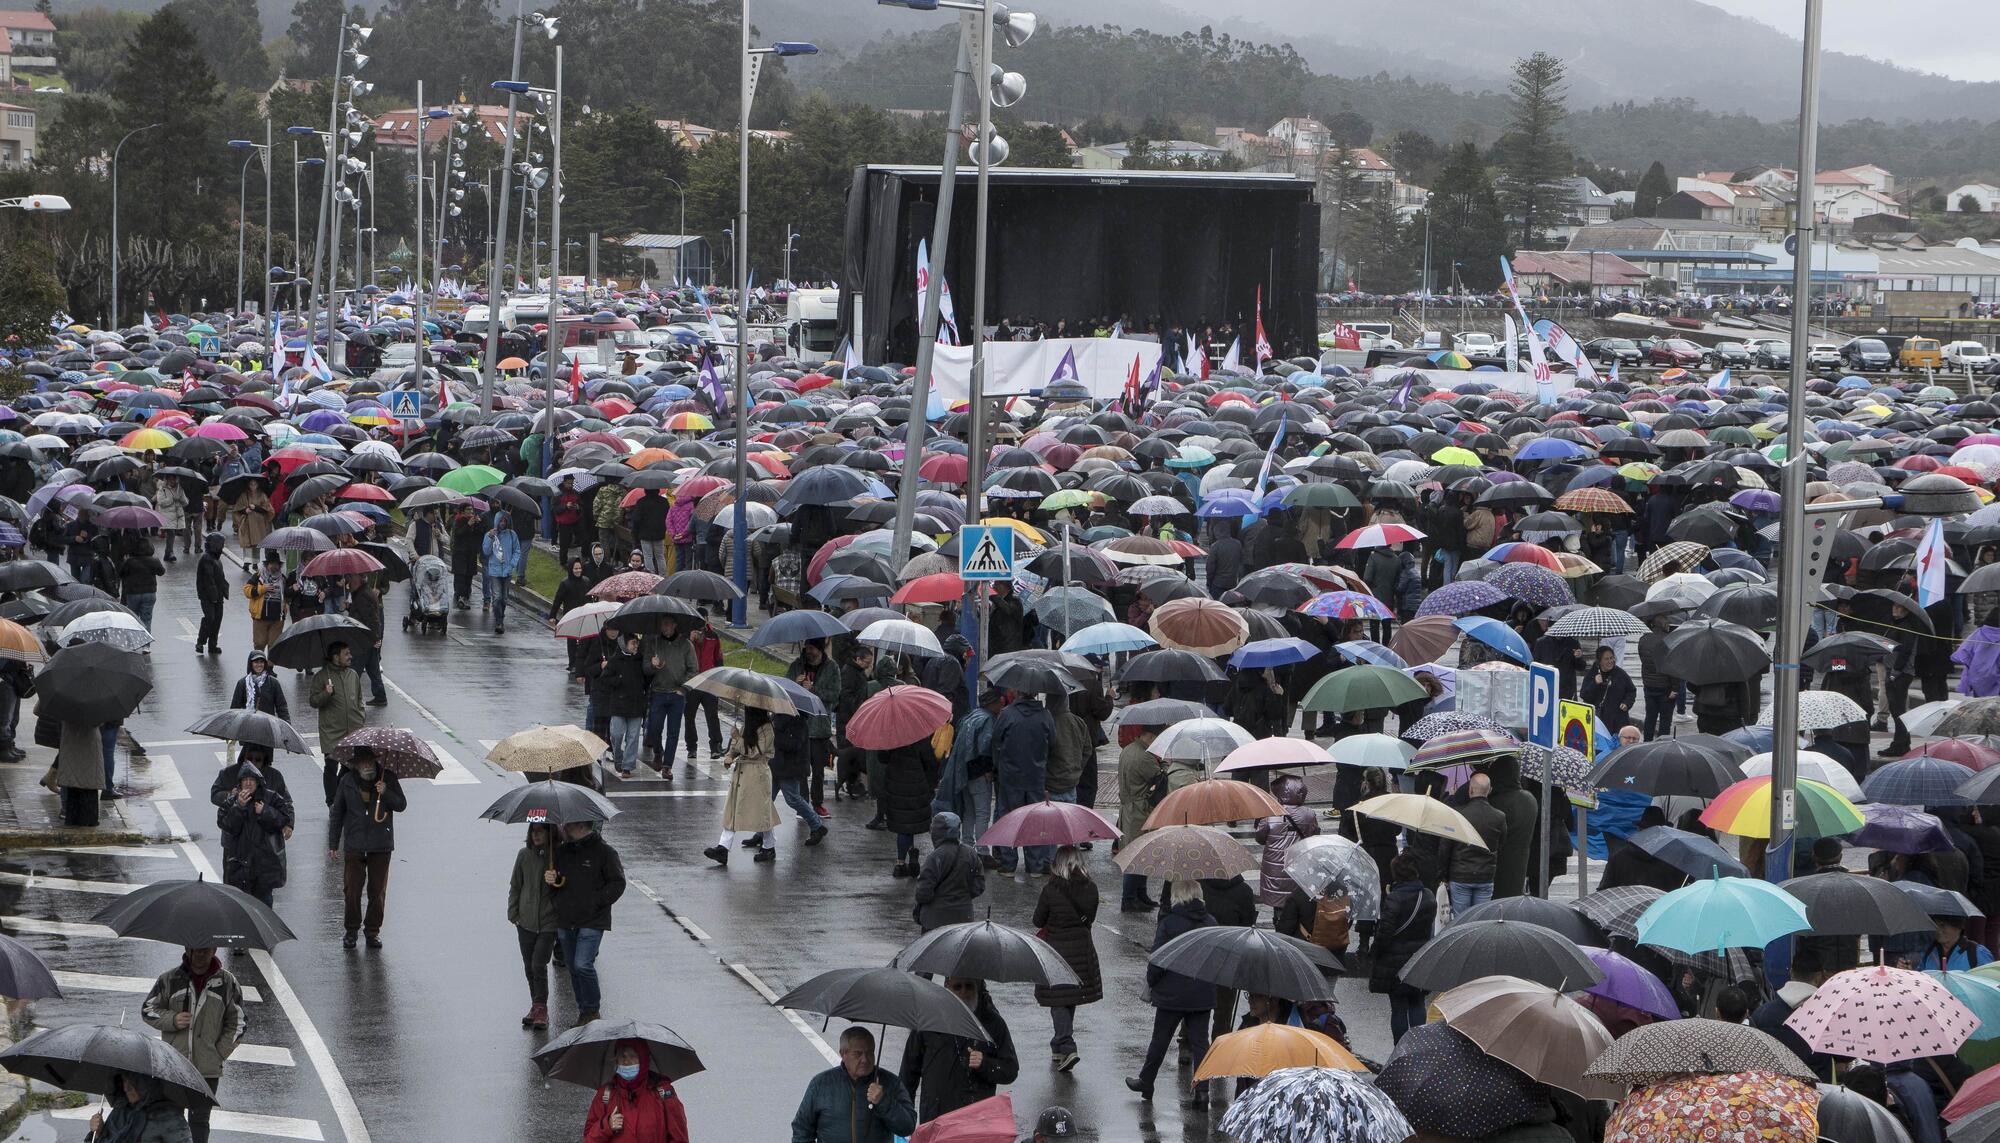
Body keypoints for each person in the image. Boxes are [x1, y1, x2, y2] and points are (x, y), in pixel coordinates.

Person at [1126, 880, 1215, 1107]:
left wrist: (1151, 981)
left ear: (1177, 896)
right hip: (1201, 993)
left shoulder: (1169, 923)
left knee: (1160, 1040)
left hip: (1171, 993)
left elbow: (1158, 959)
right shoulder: (1211, 923)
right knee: (1200, 1043)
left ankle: (1146, 1081)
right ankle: (1202, 1090)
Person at [141, 946, 244, 1143]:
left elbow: (238, 1022)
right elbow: (148, 1010)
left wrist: (218, 1053)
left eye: (206, 950)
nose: (200, 954)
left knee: (199, 1121)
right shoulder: (168, 980)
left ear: (214, 949)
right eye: (196, 949)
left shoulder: (228, 982)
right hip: (173, 1067)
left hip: (207, 1071)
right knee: (171, 1121)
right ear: (187, 949)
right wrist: (173, 1019)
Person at [898, 976, 1019, 1121]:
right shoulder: (928, 1021)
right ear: (947, 987)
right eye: (957, 987)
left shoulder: (993, 1024)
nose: (963, 992)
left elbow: (1010, 1070)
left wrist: (985, 1064)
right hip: (935, 1118)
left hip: (977, 1120)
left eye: (969, 986)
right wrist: (903, 1117)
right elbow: (908, 1073)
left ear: (977, 987)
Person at [547, 820, 625, 1024]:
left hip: (592, 920)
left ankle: (592, 1010)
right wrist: (551, 881)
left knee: (583, 965)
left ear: (581, 825)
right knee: (572, 967)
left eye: (568, 824)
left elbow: (617, 883)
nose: (563, 826)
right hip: (566, 920)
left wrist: (596, 902)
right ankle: (584, 1011)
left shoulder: (605, 852)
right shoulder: (562, 852)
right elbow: (556, 885)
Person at [326, 747, 404, 949]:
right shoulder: (347, 782)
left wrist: (385, 791)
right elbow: (337, 813)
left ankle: (372, 932)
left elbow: (401, 804)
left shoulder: (388, 778)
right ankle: (351, 931)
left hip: (381, 845)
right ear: (356, 765)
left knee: (377, 892)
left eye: (370, 761)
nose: (368, 765)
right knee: (352, 891)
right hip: (355, 844)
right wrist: (333, 843)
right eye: (363, 762)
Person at [1033, 845, 1101, 1073]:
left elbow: (1038, 920)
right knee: (1068, 996)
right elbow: (1090, 918)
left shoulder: (1051, 889)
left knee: (1058, 999)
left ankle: (1067, 1045)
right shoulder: (1091, 887)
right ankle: (1058, 1046)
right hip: (1082, 949)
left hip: (1056, 951)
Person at [790, 1027, 916, 1143]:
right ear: (843, 1054)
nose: (865, 1059)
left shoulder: (890, 1083)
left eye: (870, 1052)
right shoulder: (821, 1084)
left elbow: (907, 1127)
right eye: (858, 1054)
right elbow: (802, 1130)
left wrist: (883, 1101)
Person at [1369, 852, 1436, 1042]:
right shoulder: (1428, 896)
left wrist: (1375, 953)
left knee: (1398, 1007)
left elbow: (1385, 933)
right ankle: (1418, 1046)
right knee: (1417, 1002)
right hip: (1419, 958)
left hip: (1394, 962)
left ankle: (1400, 1049)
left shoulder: (1394, 899)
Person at [703, 706, 781, 865]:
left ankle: (769, 846)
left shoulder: (767, 730)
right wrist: (729, 755)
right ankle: (723, 848)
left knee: (761, 812)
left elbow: (754, 751)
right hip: (741, 774)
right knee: (732, 810)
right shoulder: (748, 726)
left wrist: (738, 738)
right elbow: (737, 748)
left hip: (758, 774)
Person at [991, 690, 1056, 875]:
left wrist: (999, 765)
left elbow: (996, 740)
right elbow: (1052, 742)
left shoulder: (1007, 714)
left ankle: (1008, 864)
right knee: (1035, 820)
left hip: (1010, 775)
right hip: (1036, 775)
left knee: (1009, 818)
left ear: (1018, 692)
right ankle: (1035, 865)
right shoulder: (1045, 715)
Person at [1749, 947, 1834, 1081]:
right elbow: (1842, 1061)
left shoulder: (1761, 1014)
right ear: (1819, 977)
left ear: (1792, 972)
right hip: (1816, 1092)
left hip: (1775, 1090)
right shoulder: (1827, 1015)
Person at [215, 758, 290, 906]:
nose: (248, 783)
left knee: (265, 909)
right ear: (240, 783)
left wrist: (265, 812)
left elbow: (284, 819)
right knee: (241, 908)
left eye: (252, 780)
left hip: (264, 867)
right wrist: (239, 807)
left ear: (258, 782)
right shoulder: (232, 801)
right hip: (240, 867)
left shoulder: (270, 798)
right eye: (245, 780)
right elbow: (226, 825)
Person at [583, 1041, 689, 1143]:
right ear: (616, 1060)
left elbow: (680, 1139)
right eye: (622, 1056)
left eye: (633, 1056)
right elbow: (588, 1139)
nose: (627, 1062)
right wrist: (606, 1125)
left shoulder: (663, 1093)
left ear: (643, 1059)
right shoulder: (605, 1095)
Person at [508, 823, 558, 1031]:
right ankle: (535, 1006)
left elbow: (565, 886)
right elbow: (515, 885)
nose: (535, 835)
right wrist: (514, 913)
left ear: (549, 833)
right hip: (526, 921)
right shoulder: (523, 855)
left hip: (548, 922)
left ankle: (542, 1008)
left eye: (540, 831)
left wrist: (556, 879)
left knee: (539, 964)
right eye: (532, 831)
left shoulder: (556, 857)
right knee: (529, 966)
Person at [1439, 773, 1508, 916]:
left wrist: (1443, 875)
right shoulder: (1499, 816)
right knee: (1481, 917)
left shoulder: (1458, 814)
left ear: (1470, 790)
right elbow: (1501, 844)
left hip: (1460, 874)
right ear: (1489, 790)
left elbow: (1445, 847)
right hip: (1486, 875)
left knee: (1461, 918)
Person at [309, 642, 367, 805]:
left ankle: (340, 796)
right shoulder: (321, 676)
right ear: (336, 657)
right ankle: (332, 802)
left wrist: (361, 715)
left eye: (350, 653)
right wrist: (326, 694)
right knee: (331, 766)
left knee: (350, 766)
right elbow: (313, 701)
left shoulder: (353, 675)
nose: (350, 656)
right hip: (332, 731)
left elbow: (360, 698)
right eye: (346, 654)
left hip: (353, 730)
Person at [1116, 725, 1164, 911]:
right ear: (1150, 737)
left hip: (1129, 808)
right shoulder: (1144, 756)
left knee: (1140, 852)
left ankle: (1140, 893)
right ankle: (1129, 898)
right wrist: (1164, 764)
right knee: (1137, 854)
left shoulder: (1129, 749)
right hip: (1138, 810)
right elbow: (1159, 777)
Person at [643, 615, 697, 776]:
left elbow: (693, 670)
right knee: (654, 728)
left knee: (673, 731)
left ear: (674, 625)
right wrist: (652, 666)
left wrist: (683, 689)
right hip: (658, 692)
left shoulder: (686, 645)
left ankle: (667, 765)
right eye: (662, 624)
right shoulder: (654, 643)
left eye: (667, 624)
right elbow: (645, 668)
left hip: (676, 694)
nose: (664, 627)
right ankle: (658, 752)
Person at [883, 732, 942, 878]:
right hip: (917, 786)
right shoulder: (920, 736)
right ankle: (918, 856)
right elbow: (931, 764)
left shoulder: (890, 735)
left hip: (895, 786)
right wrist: (930, 786)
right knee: (914, 824)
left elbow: (882, 758)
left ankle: (900, 863)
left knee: (903, 827)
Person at [1255, 774, 1319, 909]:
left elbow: (1260, 838)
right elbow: (1313, 836)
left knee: (1278, 902)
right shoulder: (1309, 814)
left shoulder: (1270, 814)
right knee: (1299, 901)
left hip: (1274, 868)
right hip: (1300, 865)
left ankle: (1279, 922)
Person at [912, 811, 983, 931]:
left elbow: (923, 892)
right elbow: (978, 886)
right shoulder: (971, 854)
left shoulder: (936, 857)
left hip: (935, 920)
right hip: (963, 917)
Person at [594, 631, 650, 777]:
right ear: (624, 644)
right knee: (616, 734)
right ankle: (618, 757)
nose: (635, 646)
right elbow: (604, 679)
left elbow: (647, 678)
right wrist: (617, 680)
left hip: (636, 704)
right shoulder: (615, 660)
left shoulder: (640, 659)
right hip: (618, 705)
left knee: (633, 737)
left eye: (637, 643)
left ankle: (627, 766)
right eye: (633, 643)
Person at [86, 1073, 194, 1143]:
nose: (126, 1088)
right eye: (124, 1080)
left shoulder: (169, 1118)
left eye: (132, 1082)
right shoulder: (120, 1112)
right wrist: (98, 1133)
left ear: (146, 1084)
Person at [682, 612, 724, 759]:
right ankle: (691, 747)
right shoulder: (686, 636)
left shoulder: (713, 636)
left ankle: (716, 746)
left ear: (707, 619)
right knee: (689, 716)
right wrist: (691, 641)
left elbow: (718, 658)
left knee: (712, 715)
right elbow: (683, 657)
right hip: (691, 682)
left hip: (709, 681)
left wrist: (719, 680)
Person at [345, 574, 387, 706]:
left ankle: (351, 699)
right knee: (373, 669)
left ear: (358, 580)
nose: (349, 582)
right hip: (369, 638)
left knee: (354, 669)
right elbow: (361, 613)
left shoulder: (363, 595)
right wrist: (349, 607)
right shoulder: (362, 593)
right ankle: (380, 696)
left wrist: (375, 637)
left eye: (351, 579)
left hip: (364, 639)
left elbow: (371, 619)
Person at [481, 510, 523, 633]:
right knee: (497, 597)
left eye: (505, 521)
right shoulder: (490, 534)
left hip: (507, 571)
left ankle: (501, 616)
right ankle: (499, 621)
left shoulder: (512, 534)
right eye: (500, 521)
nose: (502, 523)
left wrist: (512, 564)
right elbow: (486, 551)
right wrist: (490, 538)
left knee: (504, 598)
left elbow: (517, 550)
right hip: (494, 570)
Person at [1580, 645, 1636, 733]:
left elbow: (1631, 691)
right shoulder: (1592, 674)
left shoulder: (1621, 674)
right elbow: (1584, 695)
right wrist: (1594, 683)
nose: (1610, 661)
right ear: (1599, 661)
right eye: (1606, 659)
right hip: (1599, 722)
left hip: (1618, 721)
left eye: (1612, 658)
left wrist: (1627, 703)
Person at [193, 533, 230, 656]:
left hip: (217, 595)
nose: (222, 547)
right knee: (210, 618)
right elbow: (208, 579)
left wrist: (224, 589)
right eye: (221, 544)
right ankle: (200, 642)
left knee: (217, 620)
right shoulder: (207, 558)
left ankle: (212, 645)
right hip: (207, 596)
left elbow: (221, 576)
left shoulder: (216, 559)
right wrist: (213, 596)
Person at [118, 538, 166, 632]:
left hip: (133, 593)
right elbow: (162, 572)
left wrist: (124, 562)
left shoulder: (129, 562)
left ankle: (134, 640)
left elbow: (121, 574)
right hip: (149, 593)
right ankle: (146, 644)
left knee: (133, 618)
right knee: (146, 620)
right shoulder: (154, 561)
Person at [242, 552, 284, 654]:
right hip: (261, 617)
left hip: (277, 618)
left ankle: (269, 668)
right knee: (259, 643)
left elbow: (287, 594)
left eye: (276, 564)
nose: (274, 567)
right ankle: (259, 666)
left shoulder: (283, 578)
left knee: (274, 645)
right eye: (272, 564)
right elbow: (247, 591)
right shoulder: (258, 576)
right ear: (267, 565)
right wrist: (262, 589)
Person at [1919, 914, 1995, 970]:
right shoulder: (1930, 952)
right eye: (1935, 925)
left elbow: (1989, 982)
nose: (1938, 930)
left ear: (1959, 927)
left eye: (1942, 925)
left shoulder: (1976, 953)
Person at [227, 651, 289, 720]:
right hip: (247, 725)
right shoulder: (242, 683)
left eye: (261, 662)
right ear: (251, 664)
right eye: (256, 662)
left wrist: (287, 723)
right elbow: (234, 709)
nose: (259, 665)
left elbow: (282, 707)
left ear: (265, 664)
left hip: (267, 724)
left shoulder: (273, 683)